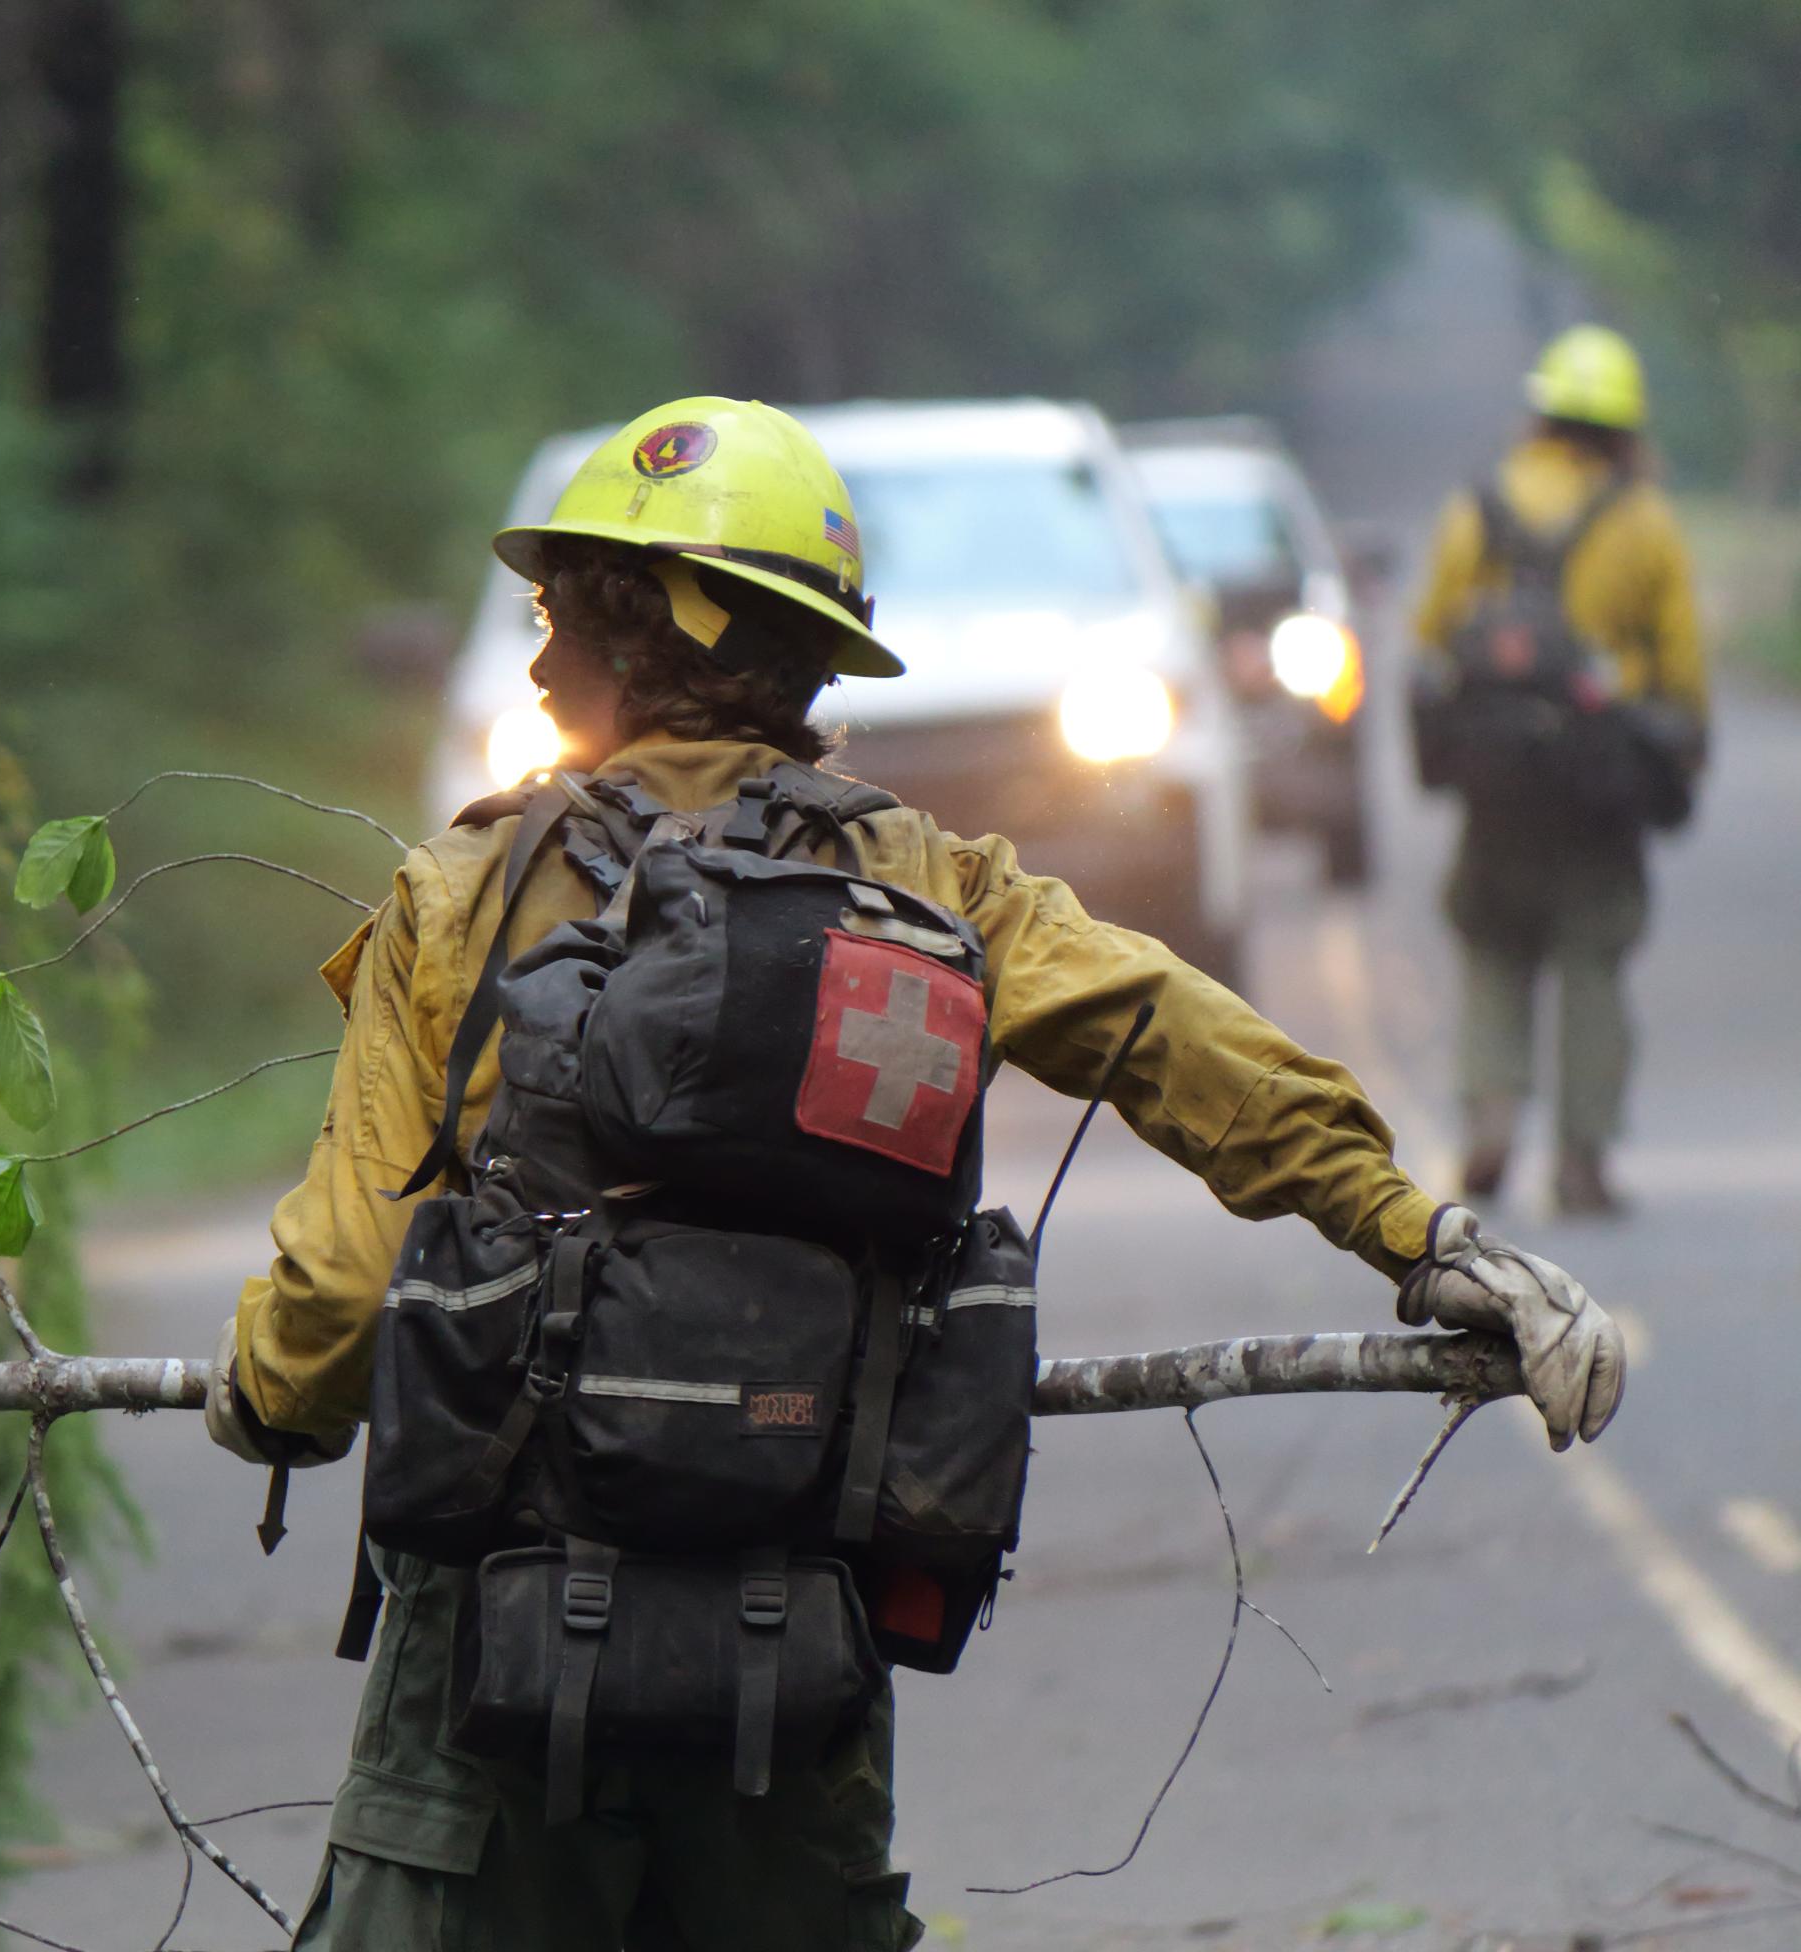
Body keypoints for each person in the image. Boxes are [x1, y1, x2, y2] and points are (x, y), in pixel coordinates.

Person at [202, 396, 1627, 1948]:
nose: (542, 665)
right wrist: (1419, 1234)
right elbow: (1176, 1042)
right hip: (788, 1654)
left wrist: (263, 1399)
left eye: (565, 620)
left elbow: (336, 1304)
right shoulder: (920, 885)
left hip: (490, 1663)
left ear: (649, 628)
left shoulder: (467, 894)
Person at [1410, 325, 1708, 1215]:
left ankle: (1491, 1123)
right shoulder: (1644, 521)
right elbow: (1683, 665)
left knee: (1493, 948)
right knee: (1593, 959)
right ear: (1623, 428)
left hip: (1497, 792)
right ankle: (1582, 1156)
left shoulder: (1478, 507)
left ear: (1540, 413)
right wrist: (1681, 745)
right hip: (1598, 792)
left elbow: (1431, 642)